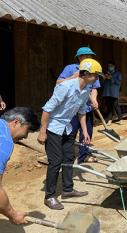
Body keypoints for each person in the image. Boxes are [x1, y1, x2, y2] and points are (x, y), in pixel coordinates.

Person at [38, 58, 103, 210]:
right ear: (86, 74)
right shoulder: (65, 87)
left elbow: (81, 112)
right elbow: (47, 109)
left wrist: (85, 132)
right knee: (55, 161)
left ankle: (67, 189)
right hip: (54, 127)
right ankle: (50, 196)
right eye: (95, 75)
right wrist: (42, 131)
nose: (97, 79)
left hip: (67, 127)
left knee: (69, 157)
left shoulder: (86, 90)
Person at [57, 47, 100, 163]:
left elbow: (94, 87)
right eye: (87, 56)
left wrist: (94, 99)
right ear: (80, 57)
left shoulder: (93, 68)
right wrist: (73, 77)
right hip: (72, 109)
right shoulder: (70, 68)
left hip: (87, 108)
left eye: (90, 56)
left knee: (87, 133)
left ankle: (83, 155)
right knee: (70, 133)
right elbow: (58, 82)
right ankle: (66, 158)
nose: (89, 58)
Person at [0, 107, 40, 224]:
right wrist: (13, 215)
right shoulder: (4, 142)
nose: (26, 137)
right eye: (27, 130)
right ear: (16, 122)